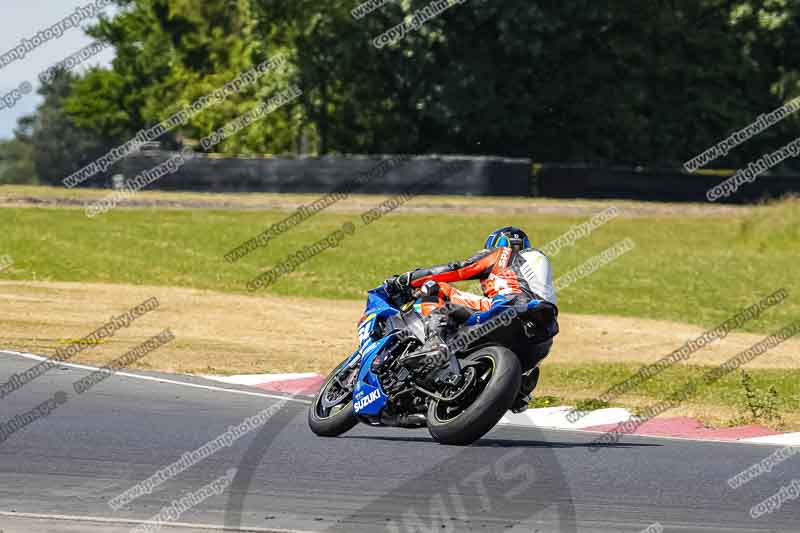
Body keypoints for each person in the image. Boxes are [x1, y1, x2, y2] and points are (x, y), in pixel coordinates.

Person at [387, 226, 558, 412]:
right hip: (543, 336)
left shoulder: (501, 253)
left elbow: (458, 269)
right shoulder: (537, 265)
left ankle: (434, 343)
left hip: (507, 308)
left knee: (435, 287)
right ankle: (521, 388)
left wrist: (407, 279)